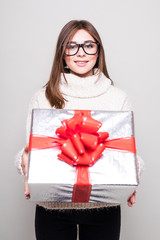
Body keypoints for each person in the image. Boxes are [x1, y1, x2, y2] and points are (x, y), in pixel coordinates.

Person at [16, 20, 143, 240]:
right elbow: (33, 148)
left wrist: (132, 174)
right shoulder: (43, 96)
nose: (81, 53)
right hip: (52, 207)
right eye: (72, 46)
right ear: (62, 52)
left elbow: (124, 150)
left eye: (88, 45)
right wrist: (25, 162)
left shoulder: (118, 98)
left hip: (104, 207)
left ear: (98, 51)